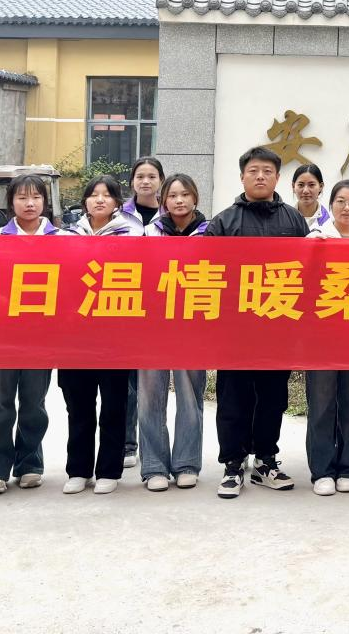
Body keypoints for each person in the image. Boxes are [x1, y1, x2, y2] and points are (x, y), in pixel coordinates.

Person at [206, 146, 308, 498]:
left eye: (267, 171)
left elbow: (305, 276)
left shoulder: (294, 221)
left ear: (277, 177)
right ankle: (233, 464)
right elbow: (209, 275)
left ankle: (265, 460)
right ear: (242, 177)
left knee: (272, 398)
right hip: (235, 330)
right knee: (233, 399)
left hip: (278, 327)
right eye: (253, 171)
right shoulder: (223, 222)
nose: (260, 176)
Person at [60, 174, 141, 494]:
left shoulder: (132, 234)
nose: (100, 199)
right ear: (85, 201)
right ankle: (78, 470)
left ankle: (109, 470)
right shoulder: (66, 235)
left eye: (107, 194)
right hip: (74, 334)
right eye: (94, 194)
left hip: (115, 334)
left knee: (113, 405)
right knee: (78, 406)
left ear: (118, 202)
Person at [0, 174, 58, 496]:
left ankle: (29, 464)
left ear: (45, 202)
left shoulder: (62, 239)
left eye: (36, 197)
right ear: (11, 202)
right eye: (22, 197)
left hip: (42, 335)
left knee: (34, 403)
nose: (30, 203)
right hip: (0, 336)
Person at [305, 179, 349, 495]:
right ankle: (322, 470)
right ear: (330, 204)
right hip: (322, 336)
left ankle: (346, 465)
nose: (346, 208)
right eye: (340, 201)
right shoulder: (316, 238)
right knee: (322, 403)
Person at [139, 174, 209, 492]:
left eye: (185, 194)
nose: (179, 200)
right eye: (172, 195)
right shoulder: (149, 232)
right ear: (163, 201)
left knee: (190, 395)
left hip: (193, 325)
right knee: (150, 396)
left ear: (195, 198)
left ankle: (186, 463)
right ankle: (153, 466)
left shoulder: (211, 233)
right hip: (153, 325)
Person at [118, 156, 165, 469]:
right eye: (140, 176)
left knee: (150, 381)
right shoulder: (118, 215)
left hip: (160, 305)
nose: (146, 181)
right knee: (126, 381)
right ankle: (127, 444)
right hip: (125, 302)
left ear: (161, 180)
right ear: (132, 181)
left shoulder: (171, 214)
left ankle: (154, 449)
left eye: (152, 176)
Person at [291, 163, 331, 231]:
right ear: (293, 186)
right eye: (301, 185)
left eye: (311, 185)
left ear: (321, 186)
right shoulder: (285, 219)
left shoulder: (330, 221)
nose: (305, 191)